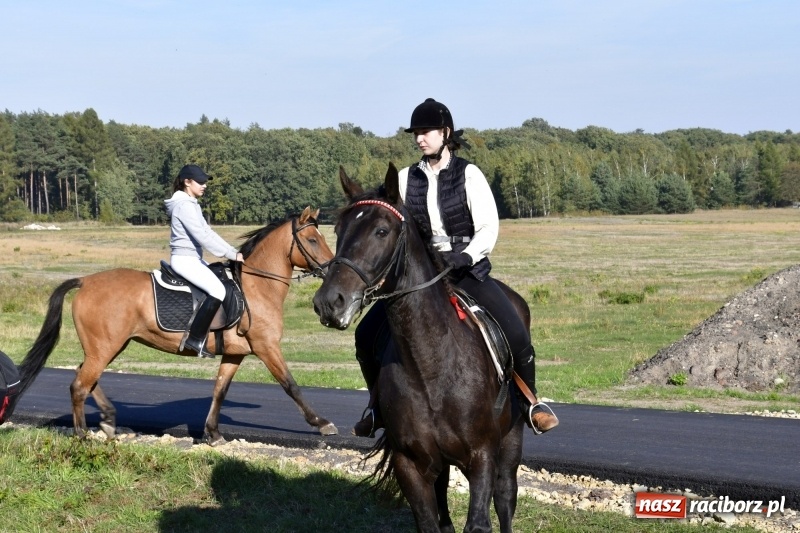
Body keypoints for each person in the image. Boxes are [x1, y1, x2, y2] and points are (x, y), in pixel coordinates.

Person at [352, 98, 558, 437]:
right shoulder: (405, 178)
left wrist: (466, 256)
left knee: (516, 332)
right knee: (365, 335)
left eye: (426, 132)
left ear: (446, 133)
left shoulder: (469, 174)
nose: (420, 138)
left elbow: (488, 227)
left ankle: (531, 403)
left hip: (465, 270)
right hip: (422, 274)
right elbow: (386, 213)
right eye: (416, 133)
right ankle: (377, 408)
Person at [165, 164, 243, 356]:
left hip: (193, 259)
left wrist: (232, 251)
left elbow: (208, 232)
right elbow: (201, 236)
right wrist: (230, 255)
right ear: (187, 182)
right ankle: (195, 339)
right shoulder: (184, 205)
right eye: (200, 182)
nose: (204, 185)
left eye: (204, 182)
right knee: (218, 290)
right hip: (185, 260)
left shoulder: (191, 203)